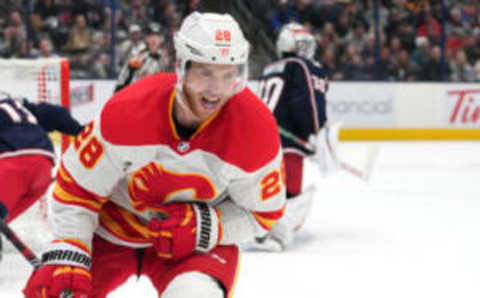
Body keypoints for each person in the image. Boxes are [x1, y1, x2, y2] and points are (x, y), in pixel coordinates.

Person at [23, 12, 286, 298]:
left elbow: (262, 214)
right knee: (50, 291)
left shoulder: (255, 130)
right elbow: (77, 187)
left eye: (228, 75)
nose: (216, 89)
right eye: (205, 72)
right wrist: (71, 246)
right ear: (181, 67)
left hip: (194, 247)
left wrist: (210, 226)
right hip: (109, 232)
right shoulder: (127, 111)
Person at [255, 22, 336, 251]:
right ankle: (276, 235)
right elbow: (307, 102)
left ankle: (261, 227)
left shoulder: (270, 68)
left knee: (266, 187)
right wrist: (313, 132)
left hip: (263, 140)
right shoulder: (302, 65)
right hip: (289, 142)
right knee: (289, 191)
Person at [0, 92, 83, 258]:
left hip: (12, 164)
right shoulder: (19, 104)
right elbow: (55, 114)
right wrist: (80, 130)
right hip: (43, 169)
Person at [115, 22, 168, 92]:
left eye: (157, 36)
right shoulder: (138, 56)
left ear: (161, 39)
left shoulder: (165, 59)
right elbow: (123, 78)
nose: (154, 39)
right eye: (151, 36)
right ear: (146, 38)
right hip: (136, 94)